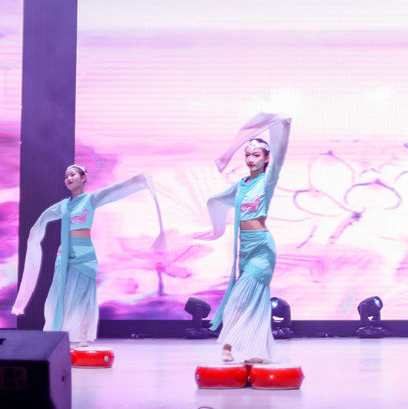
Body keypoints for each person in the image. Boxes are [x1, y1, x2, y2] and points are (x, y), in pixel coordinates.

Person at [11, 165, 164, 346]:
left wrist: (139, 181)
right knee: (56, 296)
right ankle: (55, 333)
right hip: (64, 254)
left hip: (85, 254)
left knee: (83, 297)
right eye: (66, 176)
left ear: (83, 178)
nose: (69, 178)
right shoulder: (63, 206)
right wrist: (34, 235)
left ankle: (80, 336)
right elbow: (42, 219)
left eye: (73, 174)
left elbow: (114, 191)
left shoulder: (90, 200)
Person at [199, 113, 291, 363]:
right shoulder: (241, 185)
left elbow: (280, 156)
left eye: (256, 155)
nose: (251, 159)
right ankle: (253, 351)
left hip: (262, 248)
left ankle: (229, 346)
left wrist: (283, 128)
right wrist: (214, 230)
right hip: (245, 248)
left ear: (266, 158)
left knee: (240, 297)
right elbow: (218, 201)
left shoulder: (267, 181)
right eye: (247, 155)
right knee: (250, 301)